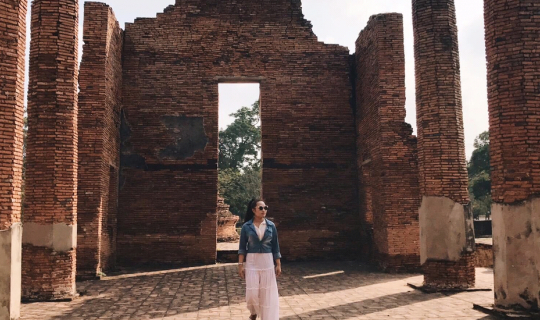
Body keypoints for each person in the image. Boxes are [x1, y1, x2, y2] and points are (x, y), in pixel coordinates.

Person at [238, 198, 281, 320]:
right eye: (261, 208)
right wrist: (240, 265)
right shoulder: (246, 227)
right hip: (252, 262)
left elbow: (275, 247)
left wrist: (278, 264)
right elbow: (242, 248)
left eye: (265, 208)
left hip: (267, 262)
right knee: (252, 293)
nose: (264, 210)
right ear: (253, 210)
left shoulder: (271, 226)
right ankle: (253, 311)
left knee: (266, 293)